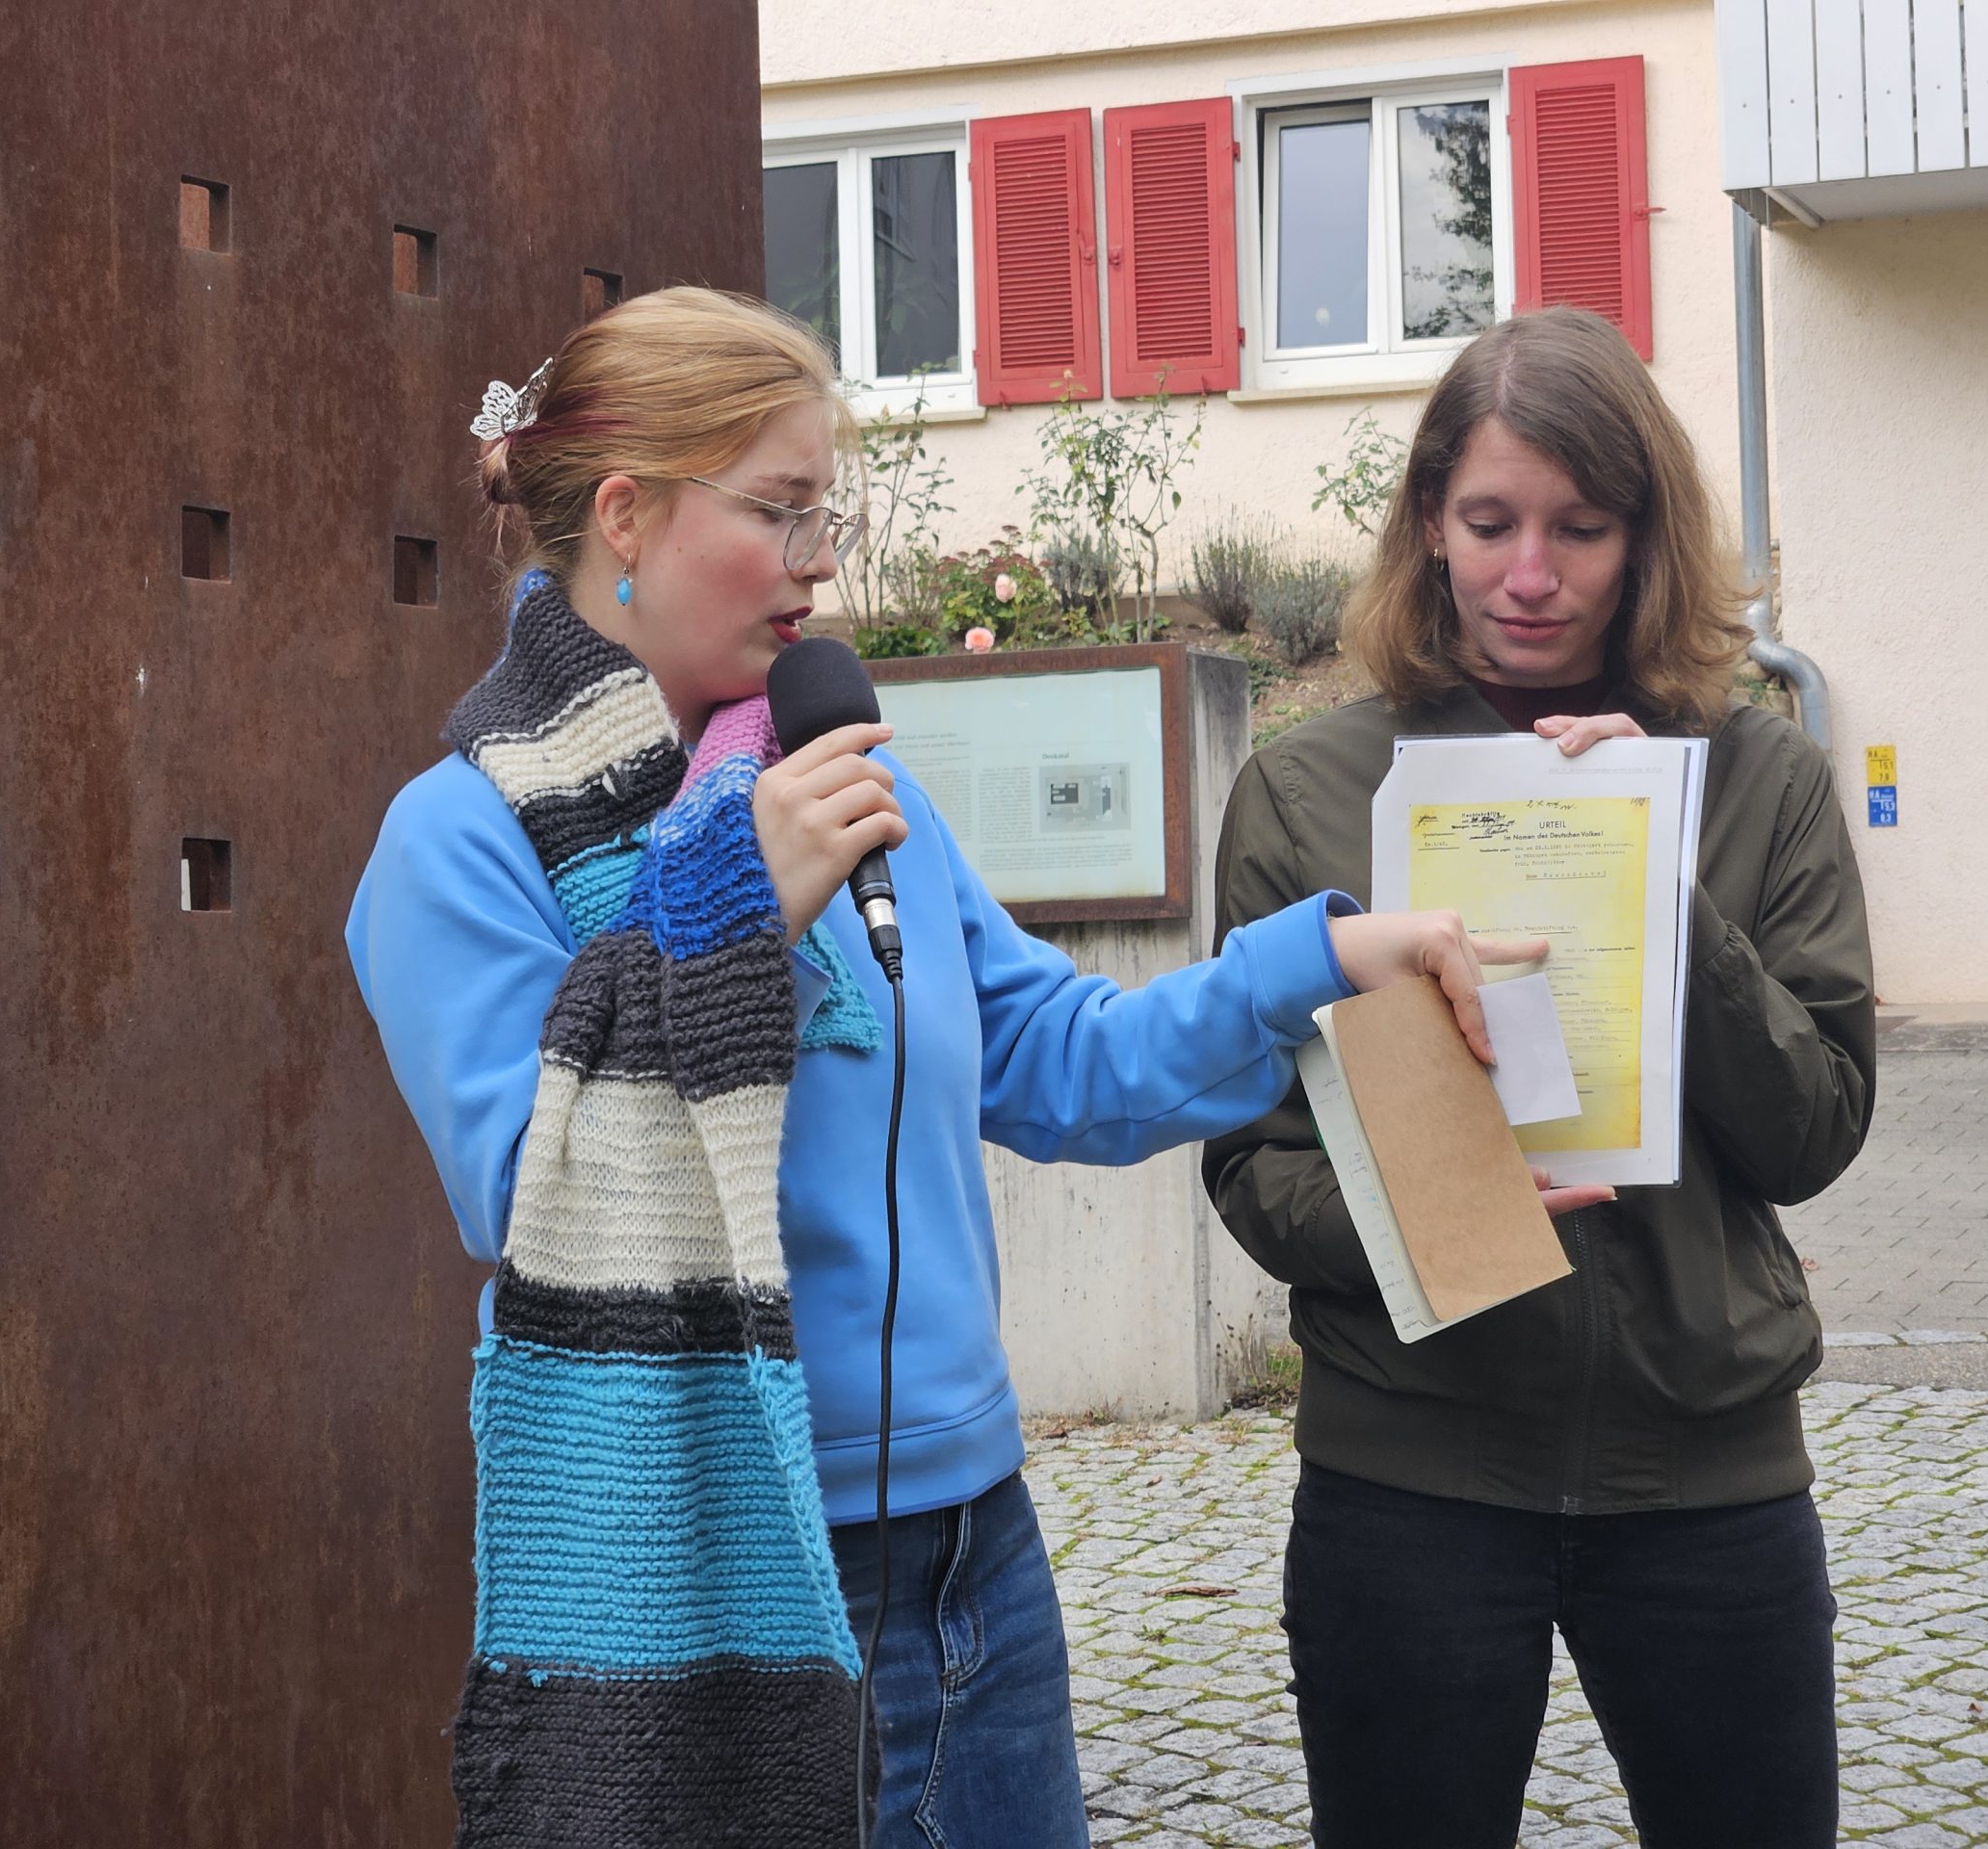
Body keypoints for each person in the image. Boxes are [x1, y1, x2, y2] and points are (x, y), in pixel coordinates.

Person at [343, 286, 1572, 1847]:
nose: (823, 562)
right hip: (732, 1564)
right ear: (626, 514)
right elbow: (535, 1193)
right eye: (781, 511)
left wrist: (1320, 963)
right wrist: (729, 911)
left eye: (827, 511)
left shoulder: (845, 781)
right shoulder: (454, 845)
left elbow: (1062, 1059)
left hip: (977, 1547)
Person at [1204, 305, 1876, 1849]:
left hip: (1707, 1466)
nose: (1530, 573)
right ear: (1429, 523)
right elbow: (1249, 1158)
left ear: (1646, 537)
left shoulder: (1756, 773)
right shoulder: (1313, 791)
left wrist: (1661, 889)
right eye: (1492, 522)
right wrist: (1435, 1200)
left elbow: (1816, 1129)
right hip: (1411, 1468)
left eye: (1581, 528)